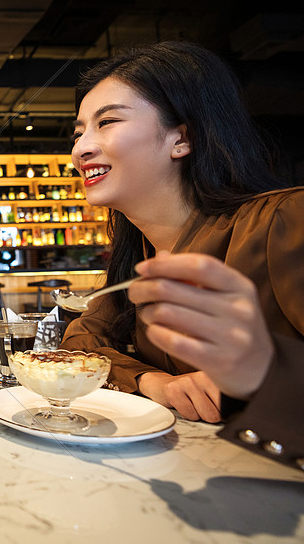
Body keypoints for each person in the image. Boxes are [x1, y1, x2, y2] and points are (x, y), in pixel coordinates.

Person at [60, 40, 303, 468]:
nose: (81, 148)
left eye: (108, 122)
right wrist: (153, 382)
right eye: (79, 132)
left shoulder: (284, 220)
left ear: (182, 138)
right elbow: (82, 339)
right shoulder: (138, 256)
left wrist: (265, 369)